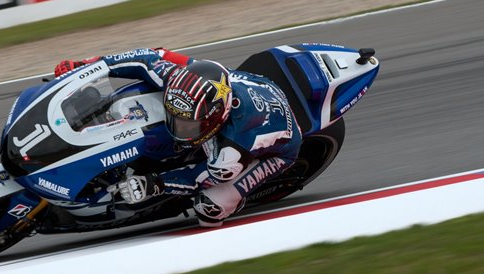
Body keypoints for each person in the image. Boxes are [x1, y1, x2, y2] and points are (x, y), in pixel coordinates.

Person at [54, 47, 302, 227]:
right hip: (251, 85)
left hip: (280, 149)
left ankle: (232, 207)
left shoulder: (229, 153)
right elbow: (145, 58)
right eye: (176, 119)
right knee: (161, 61)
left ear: (215, 119)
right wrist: (86, 66)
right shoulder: (183, 79)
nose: (178, 128)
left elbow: (197, 178)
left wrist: (155, 183)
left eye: (187, 125)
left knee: (210, 207)